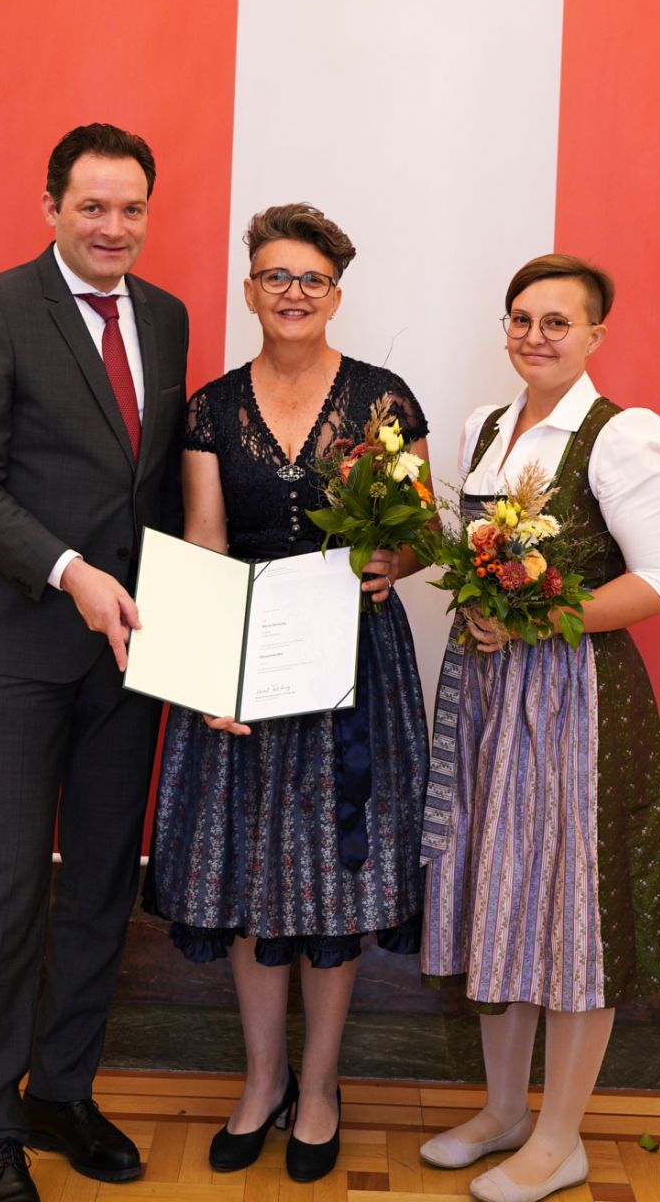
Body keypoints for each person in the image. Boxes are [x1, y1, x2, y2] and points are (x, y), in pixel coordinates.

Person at [143, 203, 430, 1186]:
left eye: (310, 277)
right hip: (249, 660)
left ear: (336, 292)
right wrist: (209, 669)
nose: (293, 291)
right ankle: (261, 1081)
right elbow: (207, 539)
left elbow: (421, 535)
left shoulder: (386, 401)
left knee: (335, 880)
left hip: (354, 659)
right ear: (250, 287)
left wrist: (393, 558)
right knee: (253, 879)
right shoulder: (212, 407)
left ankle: (319, 1087)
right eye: (275, 274)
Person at [0, 122, 189, 1202]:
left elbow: (160, 487)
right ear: (50, 208)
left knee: (97, 884)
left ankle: (63, 1091)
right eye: (92, 206)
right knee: (6, 889)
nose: (113, 227)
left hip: (131, 654)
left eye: (131, 207)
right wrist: (72, 570)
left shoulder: (168, 317)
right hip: (21, 641)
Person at [419, 253, 660, 1202]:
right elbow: (470, 560)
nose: (534, 336)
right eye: (521, 319)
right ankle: (503, 1111)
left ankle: (561, 1136)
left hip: (577, 698)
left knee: (573, 912)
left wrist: (543, 618)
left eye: (557, 322)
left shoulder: (622, 437)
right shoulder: (484, 429)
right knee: (500, 893)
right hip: (493, 695)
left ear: (594, 336)